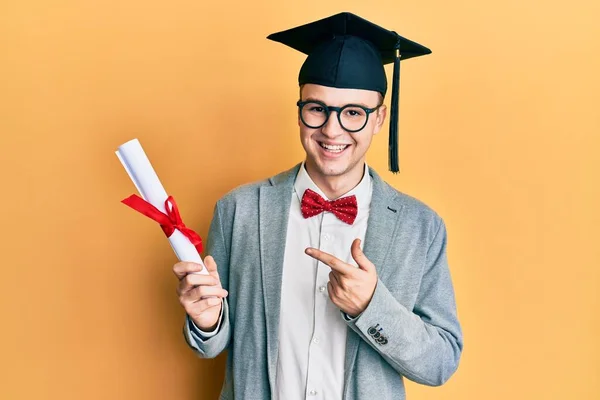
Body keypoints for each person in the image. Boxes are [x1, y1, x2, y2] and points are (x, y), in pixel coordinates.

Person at [173, 12, 463, 400]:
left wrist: (371, 306)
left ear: (379, 119)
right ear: (299, 112)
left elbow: (441, 361)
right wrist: (207, 322)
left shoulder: (420, 227)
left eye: (353, 113)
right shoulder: (238, 211)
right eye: (317, 108)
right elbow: (212, 343)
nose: (332, 129)